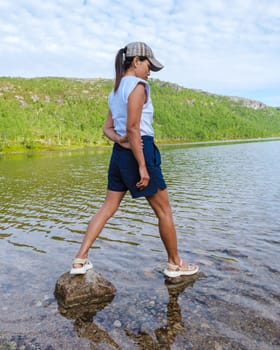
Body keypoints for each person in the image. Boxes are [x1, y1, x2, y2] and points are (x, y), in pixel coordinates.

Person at [70, 42, 199, 278]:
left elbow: (107, 128)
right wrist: (142, 165)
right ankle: (175, 264)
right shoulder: (139, 86)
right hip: (140, 149)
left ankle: (80, 259)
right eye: (149, 66)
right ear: (137, 61)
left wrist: (119, 141)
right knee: (164, 211)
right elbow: (133, 127)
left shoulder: (116, 90)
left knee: (108, 207)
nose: (150, 72)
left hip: (119, 154)